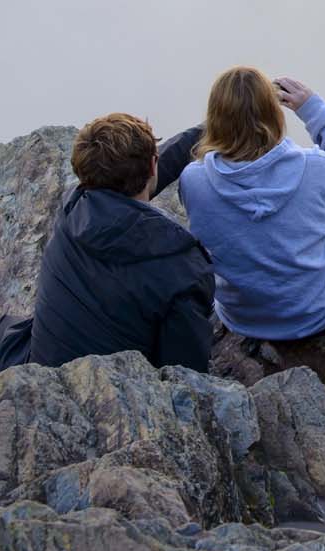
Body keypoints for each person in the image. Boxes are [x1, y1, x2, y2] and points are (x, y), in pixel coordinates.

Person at [180, 66, 325, 341]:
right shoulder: (312, 169)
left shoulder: (194, 180)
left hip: (243, 317)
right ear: (273, 113)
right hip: (315, 314)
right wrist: (312, 108)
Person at [26, 112, 215, 371]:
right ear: (152, 166)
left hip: (44, 377)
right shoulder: (182, 270)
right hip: (119, 399)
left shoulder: (73, 207)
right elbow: (186, 372)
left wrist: (216, 125)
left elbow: (138, 174)